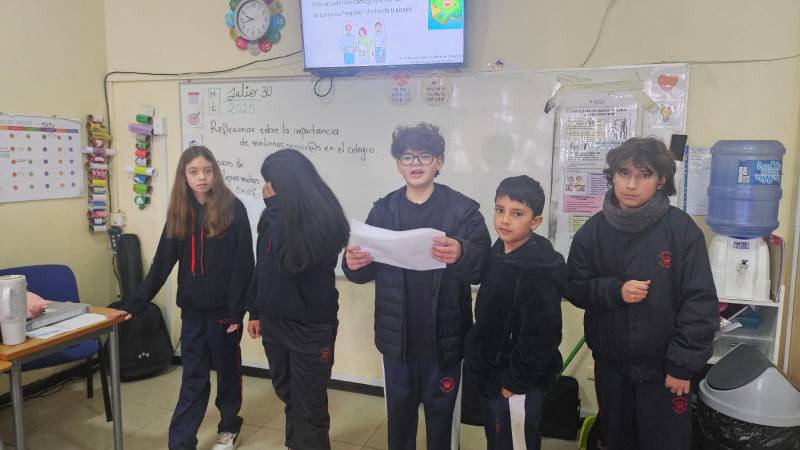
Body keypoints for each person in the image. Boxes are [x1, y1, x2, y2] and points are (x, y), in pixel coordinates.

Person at [343, 122, 491, 450]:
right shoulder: (383, 210)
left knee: (443, 426)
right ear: (398, 164)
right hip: (397, 342)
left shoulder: (463, 211)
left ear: (439, 162)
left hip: (446, 341)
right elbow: (363, 269)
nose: (415, 164)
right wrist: (351, 264)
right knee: (399, 424)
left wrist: (462, 253)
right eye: (407, 157)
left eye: (424, 156)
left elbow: (483, 268)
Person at [565, 137, 718, 450]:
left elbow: (700, 303)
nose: (631, 184)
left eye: (643, 174)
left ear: (661, 180)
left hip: (665, 371)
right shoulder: (593, 231)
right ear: (613, 176)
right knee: (618, 441)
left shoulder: (681, 230)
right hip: (612, 369)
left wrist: (682, 366)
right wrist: (614, 291)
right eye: (623, 173)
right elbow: (575, 287)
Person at [111, 146, 254, 450]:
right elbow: (161, 264)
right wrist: (135, 303)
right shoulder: (179, 214)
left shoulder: (233, 209)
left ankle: (230, 426)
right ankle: (181, 442)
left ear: (215, 173)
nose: (202, 177)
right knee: (193, 379)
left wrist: (237, 312)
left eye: (207, 170)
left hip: (224, 315)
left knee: (228, 374)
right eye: (194, 172)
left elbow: (244, 265)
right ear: (184, 176)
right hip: (192, 314)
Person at [246, 149, 349, 450]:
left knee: (309, 407)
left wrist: (276, 210)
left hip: (309, 327)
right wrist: (255, 310)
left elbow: (293, 260)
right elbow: (263, 265)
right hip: (274, 322)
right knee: (288, 394)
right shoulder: (273, 215)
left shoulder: (324, 218)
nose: (266, 188)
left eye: (271, 182)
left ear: (289, 184)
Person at [464, 175, 564, 450]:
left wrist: (514, 381)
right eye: (500, 210)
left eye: (517, 213)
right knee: (497, 439)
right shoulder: (499, 250)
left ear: (535, 222)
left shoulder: (539, 271)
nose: (504, 220)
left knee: (516, 442)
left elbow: (541, 338)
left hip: (516, 381)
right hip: (492, 375)